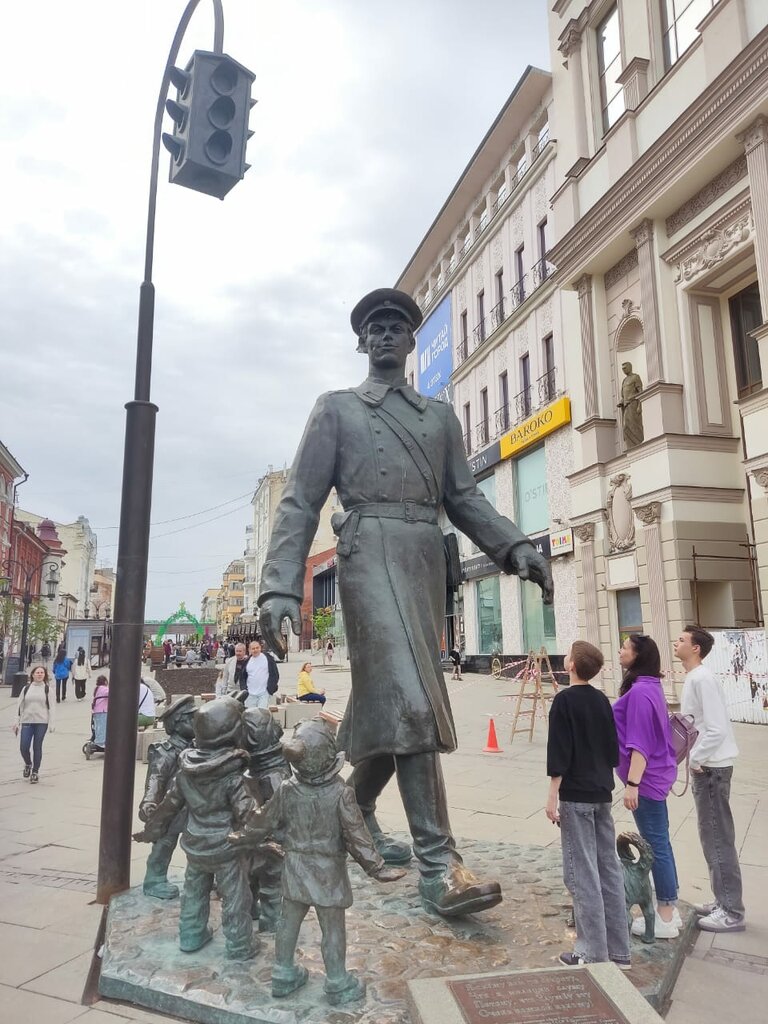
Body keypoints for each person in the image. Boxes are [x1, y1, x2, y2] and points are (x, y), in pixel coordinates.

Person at [257, 287, 554, 918]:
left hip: (423, 560)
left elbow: (465, 499)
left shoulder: (438, 417)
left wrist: (515, 547)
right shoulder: (335, 409)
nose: (387, 335)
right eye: (376, 327)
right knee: (414, 696)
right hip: (366, 557)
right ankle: (439, 865)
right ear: (362, 341)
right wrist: (282, 584)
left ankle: (353, 810)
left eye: (398, 327)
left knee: (395, 706)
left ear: (412, 340)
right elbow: (300, 502)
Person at [229, 719, 405, 1003]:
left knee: (288, 922)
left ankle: (282, 973)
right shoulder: (341, 793)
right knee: (332, 927)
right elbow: (357, 836)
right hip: (328, 872)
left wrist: (243, 836)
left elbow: (263, 821)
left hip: (296, 866)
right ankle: (336, 980)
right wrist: (377, 867)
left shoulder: (287, 788)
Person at [134, 698, 258, 961]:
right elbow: (249, 815)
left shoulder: (185, 773)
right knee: (235, 896)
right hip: (226, 847)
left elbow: (168, 807)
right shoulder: (232, 777)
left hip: (195, 845)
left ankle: (191, 934)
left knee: (194, 892)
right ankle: (239, 944)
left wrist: (151, 830)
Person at [546, 641, 630, 969]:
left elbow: (559, 753)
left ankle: (590, 951)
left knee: (581, 874)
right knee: (608, 869)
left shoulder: (564, 701)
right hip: (601, 793)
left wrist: (552, 795)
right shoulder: (601, 700)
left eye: (568, 654)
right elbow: (613, 751)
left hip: (576, 794)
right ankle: (619, 951)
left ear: (571, 666)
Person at [674, 625, 746, 933]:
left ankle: (731, 910)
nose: (676, 643)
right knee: (711, 836)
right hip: (709, 767)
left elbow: (715, 727)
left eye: (682, 640)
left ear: (696, 649)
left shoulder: (702, 679)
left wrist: (698, 760)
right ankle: (723, 899)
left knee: (717, 837)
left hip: (712, 769)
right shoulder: (695, 678)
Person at [613, 634, 681, 939]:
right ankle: (670, 907)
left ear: (638, 656)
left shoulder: (641, 692)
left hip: (647, 780)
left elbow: (639, 744)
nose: (620, 650)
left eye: (625, 647)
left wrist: (632, 784)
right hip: (656, 776)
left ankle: (665, 915)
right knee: (661, 842)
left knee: (654, 846)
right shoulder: (650, 686)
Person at [139, 695, 197, 899]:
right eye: (191, 719)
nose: (195, 722)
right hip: (173, 806)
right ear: (178, 723)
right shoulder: (166, 751)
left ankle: (200, 878)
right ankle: (154, 880)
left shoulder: (198, 746)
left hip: (197, 804)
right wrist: (149, 802)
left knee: (199, 843)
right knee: (165, 843)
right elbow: (156, 778)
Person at [14, 664, 55, 783]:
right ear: (32, 675)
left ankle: (35, 772)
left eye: (42, 673)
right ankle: (28, 763)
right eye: (37, 672)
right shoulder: (26, 688)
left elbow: (52, 707)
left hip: (41, 722)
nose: (39, 674)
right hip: (27, 721)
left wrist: (52, 723)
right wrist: (16, 722)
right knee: (24, 747)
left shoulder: (48, 689)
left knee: (37, 746)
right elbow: (19, 706)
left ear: (45, 675)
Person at [231, 640, 278, 709]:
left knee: (262, 714)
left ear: (260, 648)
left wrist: (270, 689)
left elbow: (275, 674)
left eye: (257, 648)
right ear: (249, 650)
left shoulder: (268, 659)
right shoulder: (247, 661)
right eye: (253, 648)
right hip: (250, 694)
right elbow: (242, 677)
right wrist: (244, 689)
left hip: (264, 693)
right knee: (250, 714)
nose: (255, 650)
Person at [91, 674, 110, 749]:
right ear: (105, 682)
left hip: (96, 710)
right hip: (103, 710)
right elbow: (110, 693)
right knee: (103, 726)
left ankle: (98, 740)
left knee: (98, 726)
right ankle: (101, 742)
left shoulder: (97, 689)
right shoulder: (104, 688)